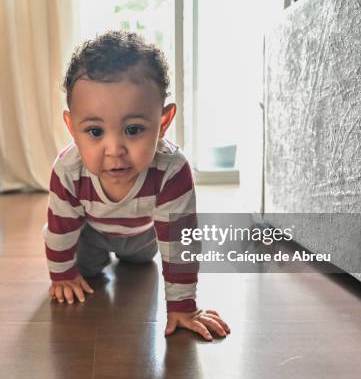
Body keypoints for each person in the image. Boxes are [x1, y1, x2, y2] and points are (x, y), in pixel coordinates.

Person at [44, 31, 230, 341]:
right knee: (83, 268)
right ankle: (89, 262)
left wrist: (183, 306)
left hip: (145, 236)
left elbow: (179, 240)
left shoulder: (171, 168)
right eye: (94, 131)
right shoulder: (68, 169)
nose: (114, 149)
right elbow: (61, 229)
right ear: (71, 128)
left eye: (133, 129)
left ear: (164, 122)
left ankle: (130, 255)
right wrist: (62, 275)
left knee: (141, 261)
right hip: (89, 234)